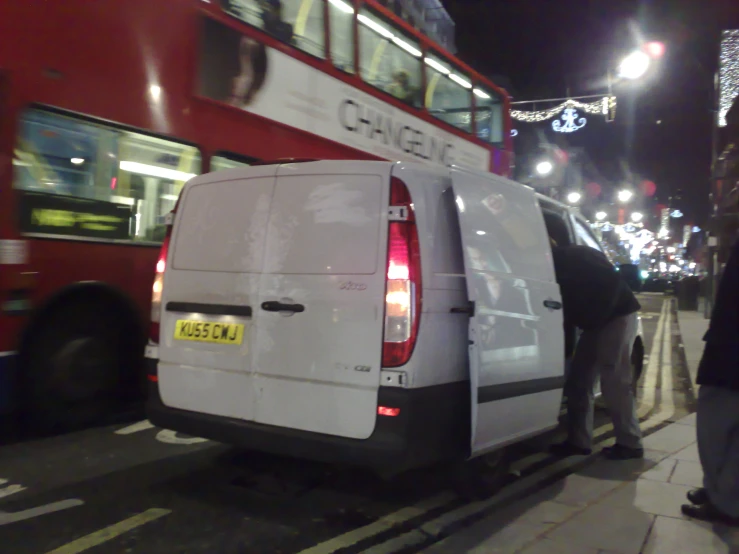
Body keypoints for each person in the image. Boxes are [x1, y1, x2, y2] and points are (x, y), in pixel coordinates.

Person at [548, 241, 644, 460]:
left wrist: (592, 321)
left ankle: (631, 443)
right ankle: (578, 441)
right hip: (595, 323)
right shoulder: (556, 264)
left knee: (614, 380)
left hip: (616, 317)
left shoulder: (579, 256)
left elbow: (611, 288)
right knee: (580, 380)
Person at [680, 196, 739, 524]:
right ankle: (720, 490)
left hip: (731, 353)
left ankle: (726, 501)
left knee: (716, 429)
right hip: (728, 347)